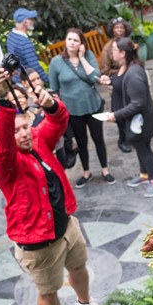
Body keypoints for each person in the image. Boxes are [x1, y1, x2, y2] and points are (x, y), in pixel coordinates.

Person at [0, 66, 109, 305]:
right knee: (47, 291)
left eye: (25, 126)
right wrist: (1, 100)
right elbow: (3, 143)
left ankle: (85, 301)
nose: (24, 134)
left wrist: (50, 103)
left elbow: (58, 121)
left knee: (79, 268)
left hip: (66, 225)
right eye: (16, 131)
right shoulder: (2, 162)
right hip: (37, 243)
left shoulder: (39, 141)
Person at [49, 27, 114, 188]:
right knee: (81, 141)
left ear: (81, 44)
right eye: (69, 39)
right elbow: (54, 88)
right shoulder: (56, 62)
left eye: (76, 40)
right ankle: (86, 171)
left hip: (92, 105)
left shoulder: (89, 56)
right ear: (65, 41)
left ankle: (105, 170)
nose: (72, 43)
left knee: (98, 139)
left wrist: (82, 58)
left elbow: (94, 78)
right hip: (73, 109)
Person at [100, 38, 153, 197]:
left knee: (144, 149)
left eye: (114, 49)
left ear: (123, 53)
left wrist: (115, 115)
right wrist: (110, 82)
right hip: (134, 121)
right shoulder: (127, 67)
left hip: (142, 123)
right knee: (140, 148)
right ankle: (144, 175)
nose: (111, 52)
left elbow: (137, 104)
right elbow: (120, 84)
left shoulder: (133, 73)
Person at [100, 16, 135, 153]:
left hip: (131, 81)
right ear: (112, 30)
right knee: (120, 111)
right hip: (116, 83)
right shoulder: (108, 48)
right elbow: (104, 70)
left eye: (122, 27)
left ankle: (132, 136)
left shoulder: (129, 43)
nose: (119, 30)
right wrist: (121, 70)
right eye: (117, 28)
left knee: (133, 108)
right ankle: (123, 140)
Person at [7, 8, 49, 83]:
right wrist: (49, 81)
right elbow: (35, 67)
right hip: (27, 83)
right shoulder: (24, 43)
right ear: (25, 22)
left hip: (16, 78)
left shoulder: (11, 36)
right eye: (31, 19)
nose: (33, 21)